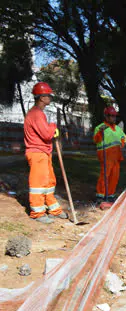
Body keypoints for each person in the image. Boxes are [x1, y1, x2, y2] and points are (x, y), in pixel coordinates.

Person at [24, 82, 67, 224]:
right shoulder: (36, 114)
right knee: (38, 183)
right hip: (37, 153)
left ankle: (53, 209)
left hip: (43, 152)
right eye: (48, 95)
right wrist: (53, 127)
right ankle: (37, 212)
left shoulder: (38, 113)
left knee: (49, 181)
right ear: (42, 98)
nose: (50, 98)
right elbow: (46, 134)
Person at [93, 106, 126, 202]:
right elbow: (96, 140)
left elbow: (123, 137)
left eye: (114, 116)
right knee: (105, 175)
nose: (113, 118)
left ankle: (110, 194)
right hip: (106, 155)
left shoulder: (118, 129)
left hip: (116, 155)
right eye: (111, 116)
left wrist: (123, 142)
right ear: (106, 116)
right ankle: (100, 195)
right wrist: (100, 132)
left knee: (114, 176)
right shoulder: (99, 127)